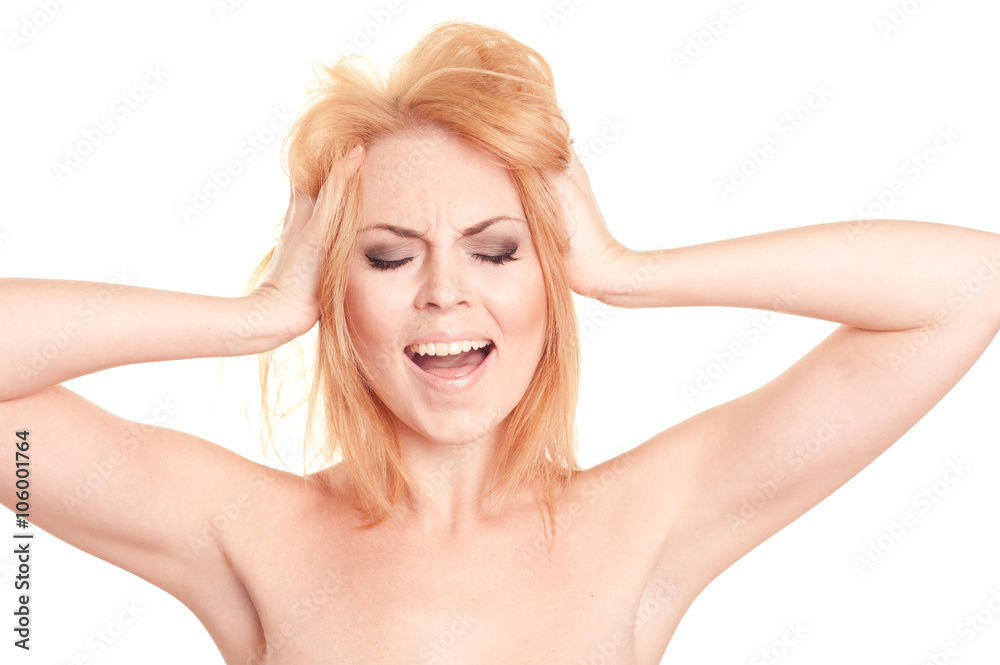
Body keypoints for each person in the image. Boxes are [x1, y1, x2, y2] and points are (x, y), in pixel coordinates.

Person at [3, 20, 999, 664]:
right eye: (388, 257)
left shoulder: (644, 519)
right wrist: (259, 313)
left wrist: (622, 268)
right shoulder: (243, 527)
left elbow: (966, 285)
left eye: (494, 250)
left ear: (546, 279)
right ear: (336, 288)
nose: (444, 294)